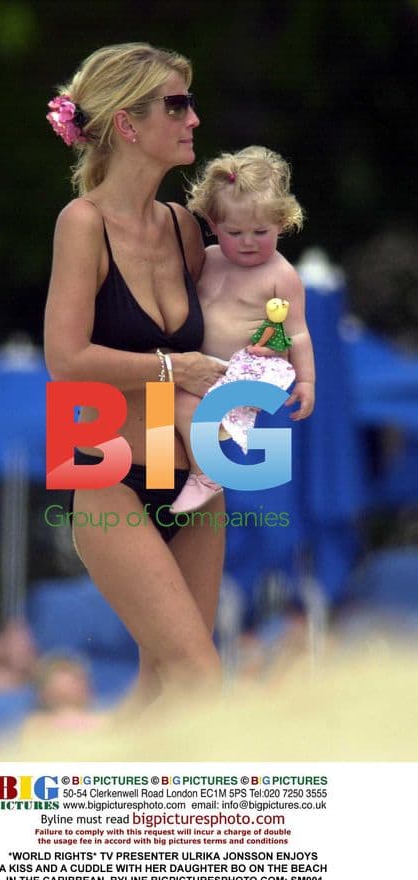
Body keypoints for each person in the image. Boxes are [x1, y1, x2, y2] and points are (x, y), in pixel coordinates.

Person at [44, 43, 227, 716]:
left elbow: (242, 311)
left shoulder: (183, 228)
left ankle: (123, 807)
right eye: (176, 105)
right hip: (105, 474)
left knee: (165, 694)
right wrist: (173, 368)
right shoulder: (83, 223)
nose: (194, 120)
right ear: (126, 124)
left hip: (196, 480)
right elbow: (65, 359)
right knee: (201, 679)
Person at [168, 145, 316, 514]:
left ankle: (206, 474)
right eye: (234, 232)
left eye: (261, 231)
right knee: (161, 398)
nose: (248, 242)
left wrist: (307, 382)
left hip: (250, 371)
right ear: (213, 226)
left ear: (282, 223)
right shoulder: (210, 259)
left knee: (181, 405)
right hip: (207, 366)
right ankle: (178, 467)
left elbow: (297, 333)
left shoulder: (281, 275)